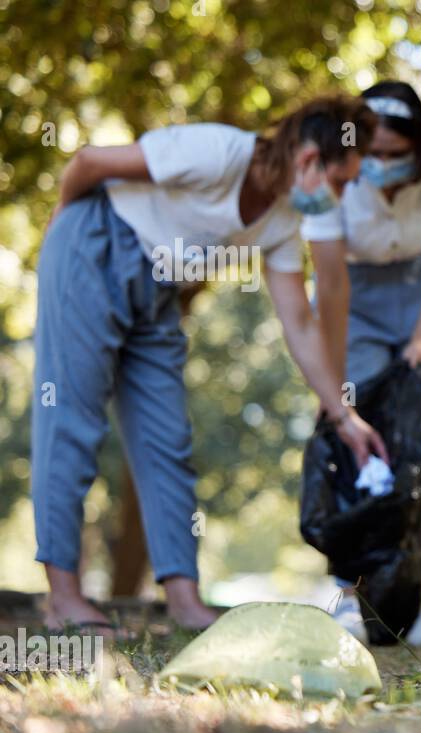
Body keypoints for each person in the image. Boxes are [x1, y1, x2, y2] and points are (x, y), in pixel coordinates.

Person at [33, 97, 388, 636]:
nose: (340, 198)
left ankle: (184, 600)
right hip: (94, 245)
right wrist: (63, 228)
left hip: (158, 293)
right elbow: (88, 163)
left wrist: (344, 416)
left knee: (167, 441)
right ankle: (62, 597)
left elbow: (298, 322)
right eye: (342, 183)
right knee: (73, 422)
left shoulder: (282, 221)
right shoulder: (216, 151)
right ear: (311, 160)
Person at [305, 81, 421, 646]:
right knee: (358, 449)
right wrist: (335, 384)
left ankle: (415, 598)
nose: (378, 164)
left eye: (393, 155)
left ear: (419, 149)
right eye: (370, 155)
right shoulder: (335, 172)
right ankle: (350, 596)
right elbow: (329, 281)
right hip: (353, 300)